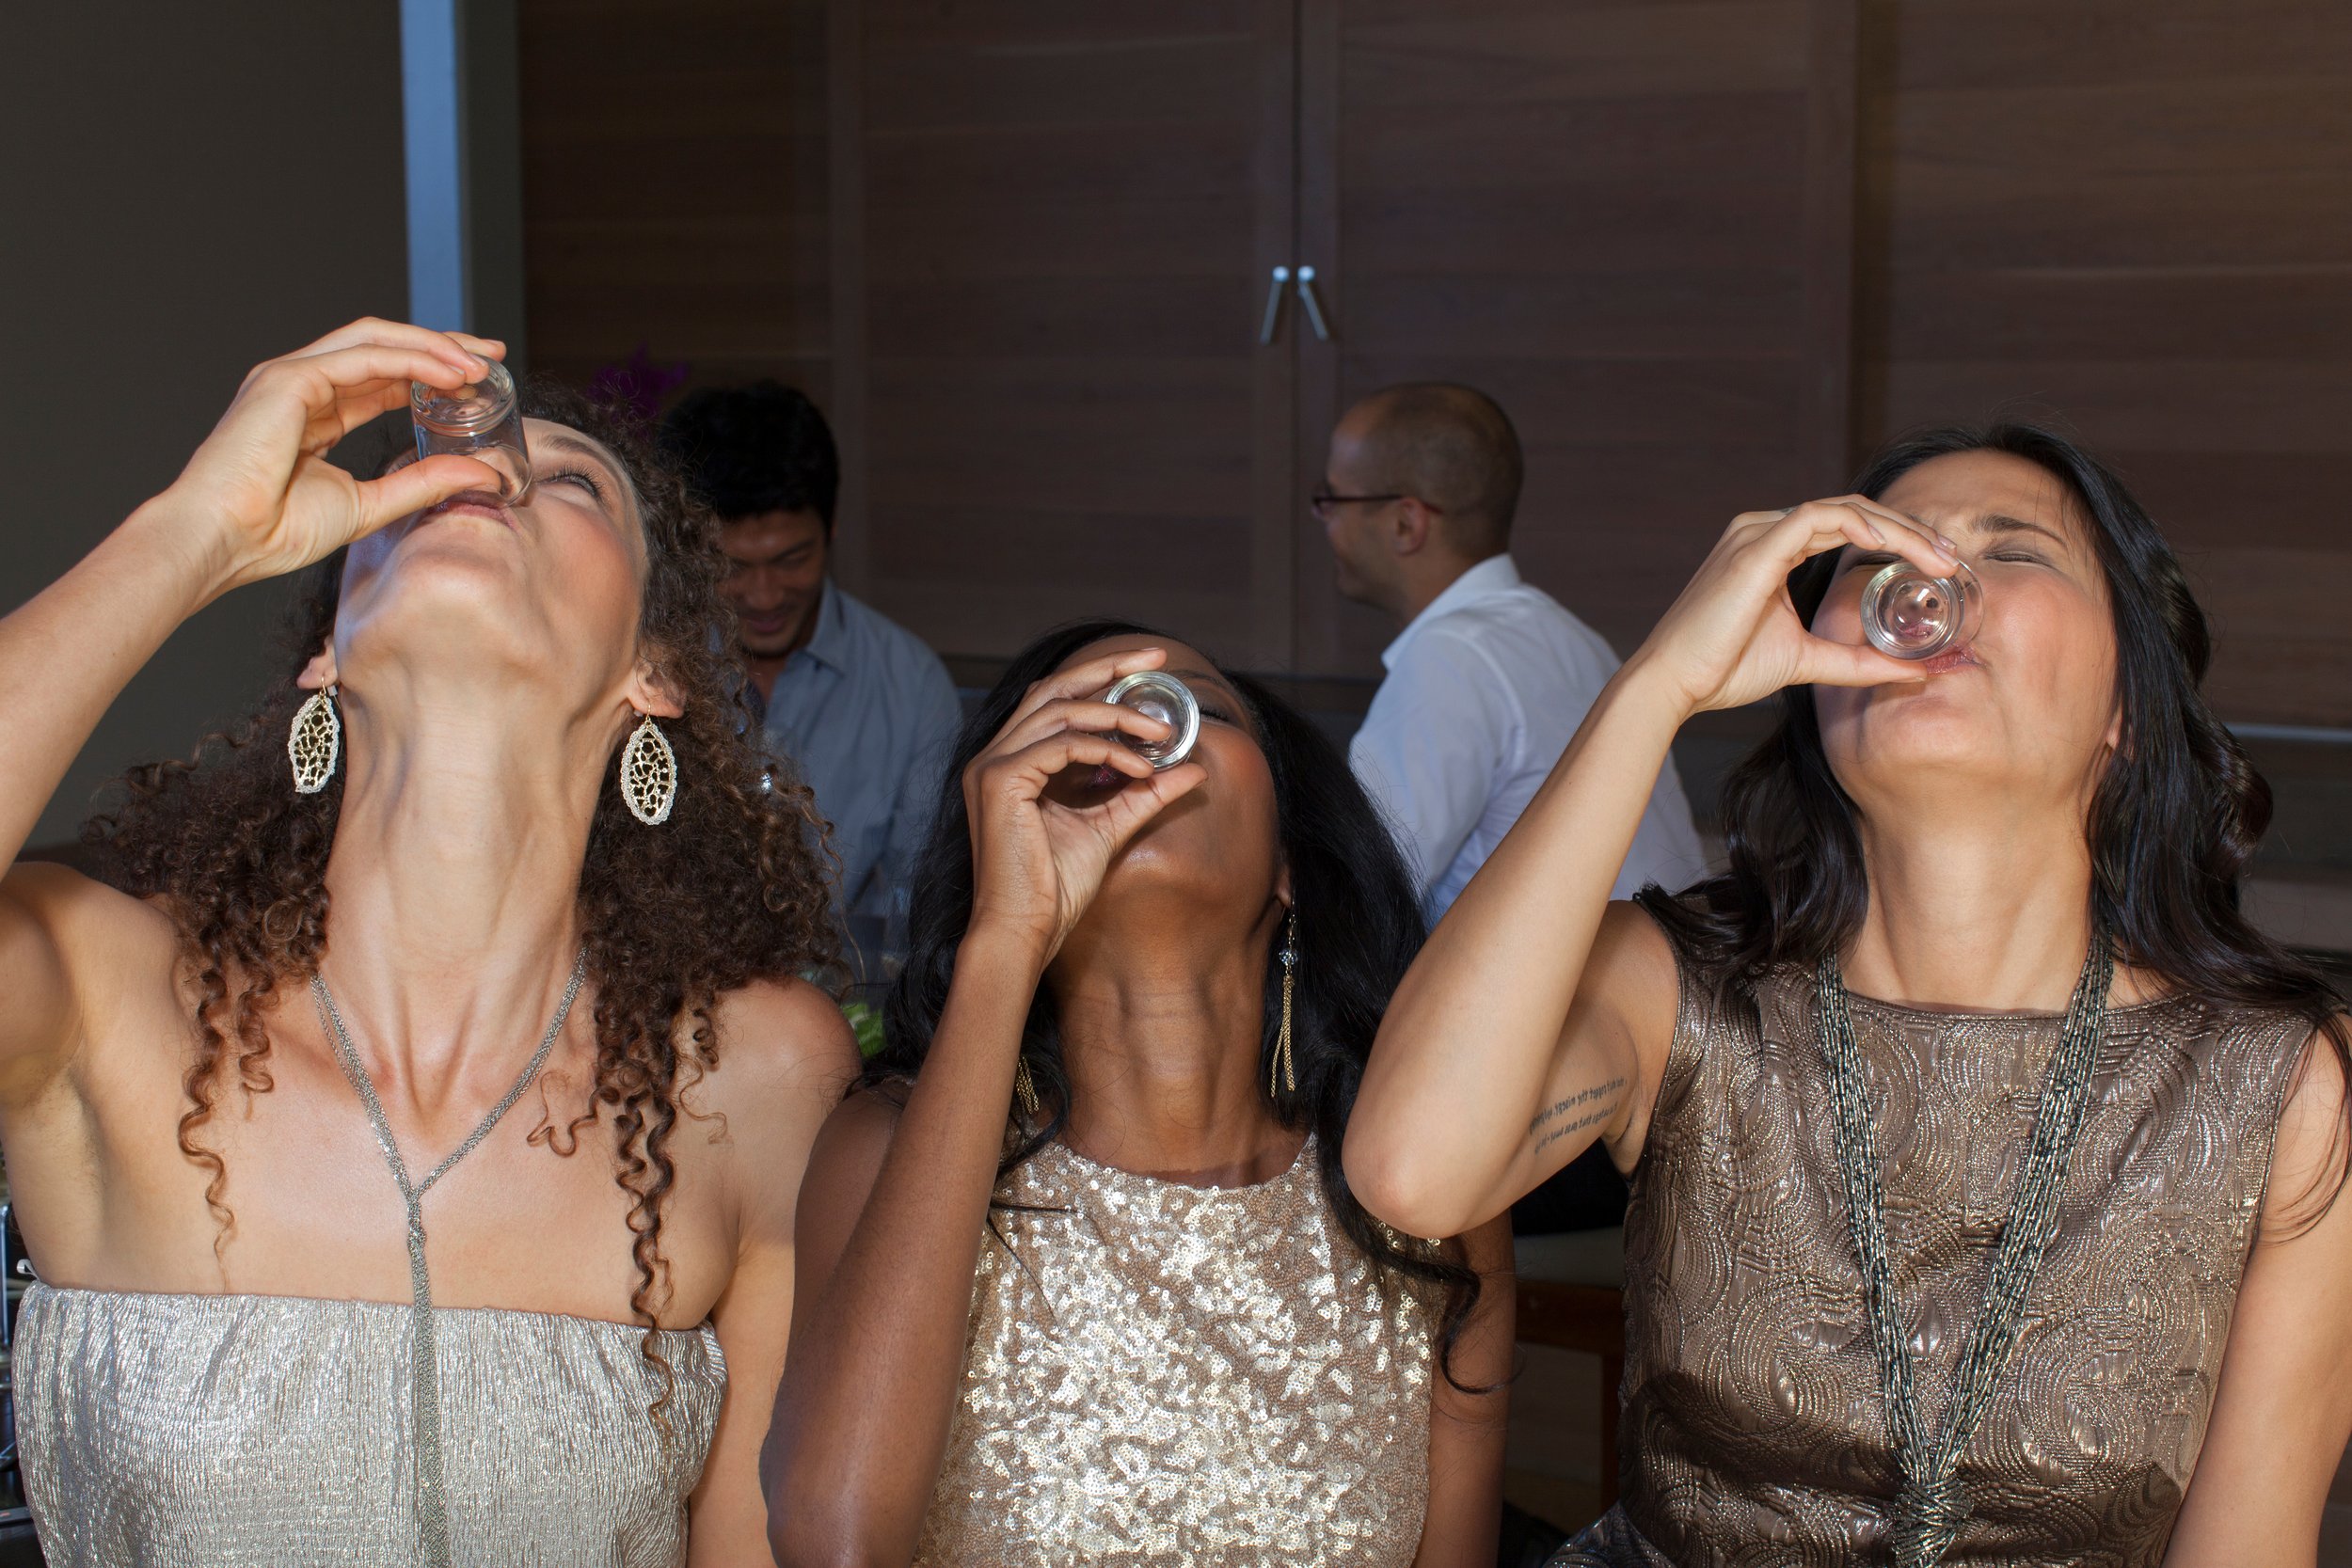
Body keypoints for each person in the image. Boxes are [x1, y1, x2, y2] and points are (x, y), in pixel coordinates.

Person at [1343, 423, 2352, 1566]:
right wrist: (1656, 686)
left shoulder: (2281, 1085)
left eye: (2010, 549)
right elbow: (1413, 1173)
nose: (1930, 583)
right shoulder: (1673, 985)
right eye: (1876, 561)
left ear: (2126, 704)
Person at [0, 321, 858, 1565]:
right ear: (328, 651)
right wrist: (196, 531)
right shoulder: (100, 990)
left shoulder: (753, 1075)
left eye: (570, 483)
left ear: (653, 674)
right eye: (425, 475)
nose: (485, 471)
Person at [762, 622, 1514, 1567]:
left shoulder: (1416, 1195)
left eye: (1184, 704)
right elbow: (834, 1542)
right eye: (1075, 722)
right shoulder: (884, 1150)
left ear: (1289, 859)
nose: (1134, 739)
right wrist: (1007, 935)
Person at [1318, 383, 1705, 924]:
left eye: (1333, 500)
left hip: (1565, 1002)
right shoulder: (1574, 638)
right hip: (1675, 975)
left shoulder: (1448, 660)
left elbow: (1354, 897)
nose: (1326, 521)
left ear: (1407, 523)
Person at [659, 382, 961, 923]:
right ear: (686, 551)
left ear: (832, 529)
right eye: (730, 569)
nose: (764, 596)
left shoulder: (910, 685)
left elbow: (920, 905)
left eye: (792, 559)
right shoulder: (646, 666)